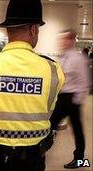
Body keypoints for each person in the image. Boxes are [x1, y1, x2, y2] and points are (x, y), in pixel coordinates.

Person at [0, 0, 65, 170]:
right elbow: (50, 109)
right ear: (34, 29)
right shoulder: (53, 69)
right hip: (32, 158)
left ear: (8, 29)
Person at [50, 29, 91, 169]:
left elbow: (85, 81)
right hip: (62, 97)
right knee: (52, 124)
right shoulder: (62, 57)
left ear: (72, 41)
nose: (61, 42)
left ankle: (79, 159)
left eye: (64, 39)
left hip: (71, 98)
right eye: (60, 39)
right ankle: (41, 150)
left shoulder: (78, 59)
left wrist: (76, 101)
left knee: (74, 129)